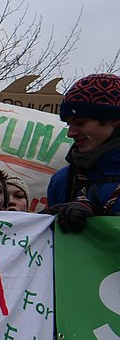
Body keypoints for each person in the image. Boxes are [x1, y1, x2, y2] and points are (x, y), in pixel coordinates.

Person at [46, 73, 120, 232]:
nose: (70, 133)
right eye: (68, 124)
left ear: (114, 119)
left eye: (80, 123)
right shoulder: (62, 180)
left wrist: (101, 218)